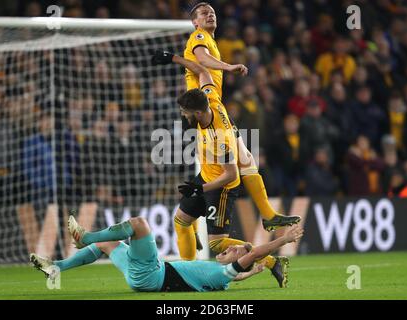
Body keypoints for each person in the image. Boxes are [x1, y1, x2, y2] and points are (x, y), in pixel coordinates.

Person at [152, 51, 300, 286]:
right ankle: (186, 272)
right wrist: (173, 58)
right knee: (181, 221)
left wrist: (201, 190)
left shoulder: (219, 138)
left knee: (216, 244)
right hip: (207, 177)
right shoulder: (210, 97)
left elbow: (231, 174)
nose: (182, 117)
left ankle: (272, 262)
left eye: (185, 114)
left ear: (198, 113)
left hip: (222, 187)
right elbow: (202, 71)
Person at [182, 2, 298, 248]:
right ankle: (191, 224)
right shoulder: (199, 37)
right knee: (223, 170)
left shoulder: (210, 40)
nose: (210, 14)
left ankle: (268, 216)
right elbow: (201, 60)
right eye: (204, 13)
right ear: (195, 22)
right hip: (204, 110)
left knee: (246, 158)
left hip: (213, 107)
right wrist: (229, 66)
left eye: (212, 11)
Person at [30, 215, 304, 292]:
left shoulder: (223, 274)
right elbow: (239, 274)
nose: (230, 248)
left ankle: (86, 237)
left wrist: (283, 240)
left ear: (237, 263)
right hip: (142, 278)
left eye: (234, 252)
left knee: (139, 224)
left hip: (153, 274)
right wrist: (255, 272)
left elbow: (253, 253)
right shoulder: (223, 278)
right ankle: (56, 267)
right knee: (107, 245)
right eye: (234, 246)